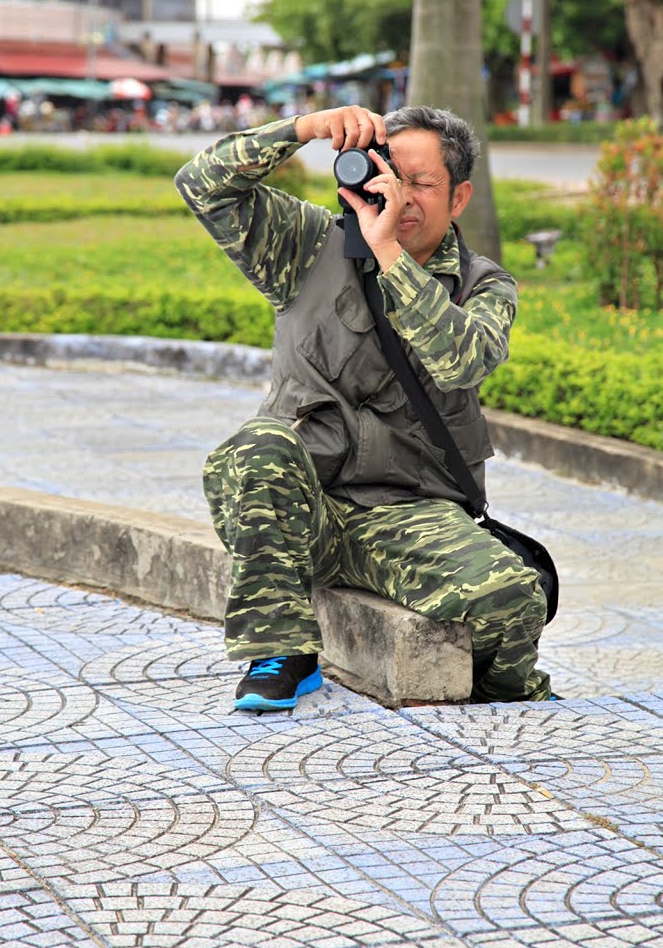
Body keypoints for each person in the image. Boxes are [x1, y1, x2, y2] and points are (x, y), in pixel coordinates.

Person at [174, 104, 552, 711]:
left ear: (459, 199)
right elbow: (201, 183)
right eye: (387, 172)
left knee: (513, 597)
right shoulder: (305, 245)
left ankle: (509, 703)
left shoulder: (484, 284)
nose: (398, 195)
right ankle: (283, 654)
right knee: (255, 452)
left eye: (421, 184)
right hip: (310, 509)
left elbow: (463, 361)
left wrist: (390, 259)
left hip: (410, 515)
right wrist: (306, 128)